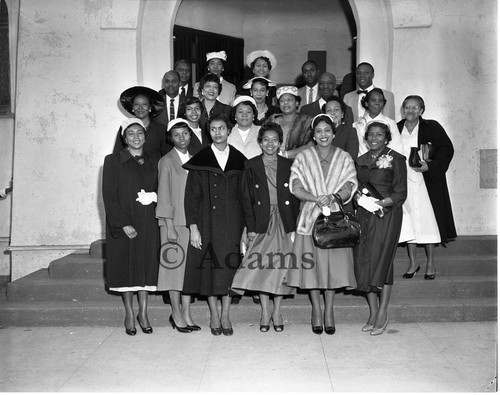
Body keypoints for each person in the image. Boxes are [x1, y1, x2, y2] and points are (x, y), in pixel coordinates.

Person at [287, 114, 358, 335]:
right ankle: (316, 310)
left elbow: (350, 183)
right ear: (313, 135)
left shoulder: (344, 157)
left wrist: (335, 196)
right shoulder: (303, 157)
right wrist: (312, 197)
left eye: (327, 130)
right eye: (319, 131)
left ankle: (329, 310)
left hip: (335, 221)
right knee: (313, 270)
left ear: (334, 133)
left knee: (331, 270)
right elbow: (295, 184)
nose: (323, 135)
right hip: (310, 218)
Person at [182, 113, 247, 336]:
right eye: (213, 129)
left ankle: (226, 315)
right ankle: (214, 315)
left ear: (229, 131)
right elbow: (191, 198)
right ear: (208, 133)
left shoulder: (239, 159)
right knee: (209, 271)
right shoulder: (201, 160)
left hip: (233, 224)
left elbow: (245, 197)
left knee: (229, 270)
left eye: (222, 128)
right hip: (207, 223)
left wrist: (246, 229)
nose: (218, 132)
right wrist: (193, 227)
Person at [232, 122, 299, 332]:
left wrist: (295, 225)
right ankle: (264, 310)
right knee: (261, 268)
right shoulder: (250, 166)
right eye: (266, 140)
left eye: (275, 140)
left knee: (281, 267)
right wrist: (250, 227)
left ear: (280, 143)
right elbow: (245, 199)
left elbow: (296, 197)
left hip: (284, 221)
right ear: (260, 143)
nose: (270, 143)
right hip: (261, 222)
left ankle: (277, 310)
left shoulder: (290, 165)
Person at [103, 118, 160, 336]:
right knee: (126, 269)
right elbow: (109, 196)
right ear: (124, 138)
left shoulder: (155, 159)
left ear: (145, 136)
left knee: (145, 267)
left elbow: (164, 187)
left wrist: (155, 196)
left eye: (140, 133)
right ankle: (129, 313)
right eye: (131, 134)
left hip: (148, 221)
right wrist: (123, 223)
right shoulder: (113, 161)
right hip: (124, 223)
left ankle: (143, 313)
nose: (136, 137)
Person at [354, 121, 407, 335]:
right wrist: (358, 197)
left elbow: (400, 193)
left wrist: (382, 203)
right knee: (364, 259)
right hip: (365, 214)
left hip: (387, 214)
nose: (374, 138)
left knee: (383, 259)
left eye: (379, 135)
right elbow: (357, 186)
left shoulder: (396, 159)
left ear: (386, 138)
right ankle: (373, 311)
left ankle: (383, 312)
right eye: (371, 135)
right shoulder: (360, 160)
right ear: (365, 139)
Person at [397, 95, 457, 279]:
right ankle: (413, 262)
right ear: (403, 109)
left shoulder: (432, 127)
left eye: (415, 107)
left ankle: (431, 262)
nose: (410, 111)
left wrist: (430, 166)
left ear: (422, 110)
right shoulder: (397, 127)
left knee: (428, 220)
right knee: (409, 222)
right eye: (407, 107)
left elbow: (447, 148)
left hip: (426, 181)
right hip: (405, 181)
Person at [156, 118, 200, 333]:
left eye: (185, 134)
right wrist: (169, 226)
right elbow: (163, 194)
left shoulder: (195, 159)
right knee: (173, 270)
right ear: (170, 138)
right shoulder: (166, 161)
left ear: (191, 135)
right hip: (173, 224)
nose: (182, 138)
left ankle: (187, 312)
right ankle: (175, 313)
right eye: (177, 135)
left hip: (190, 224)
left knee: (188, 272)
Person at [113, 86, 170, 162]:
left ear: (150, 107)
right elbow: (117, 155)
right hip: (130, 171)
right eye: (136, 104)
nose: (140, 108)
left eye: (144, 104)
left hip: (154, 171)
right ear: (132, 107)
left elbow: (167, 157)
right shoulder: (125, 128)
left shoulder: (161, 129)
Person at [353, 88, 403, 156]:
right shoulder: (356, 125)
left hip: (385, 163)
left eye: (380, 100)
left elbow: (397, 148)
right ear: (366, 103)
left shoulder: (390, 123)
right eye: (373, 100)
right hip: (361, 164)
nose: (377, 103)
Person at [267, 86, 312, 159]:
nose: (285, 103)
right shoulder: (272, 121)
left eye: (289, 100)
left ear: (297, 103)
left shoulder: (306, 122)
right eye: (282, 100)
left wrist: (286, 155)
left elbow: (310, 146)